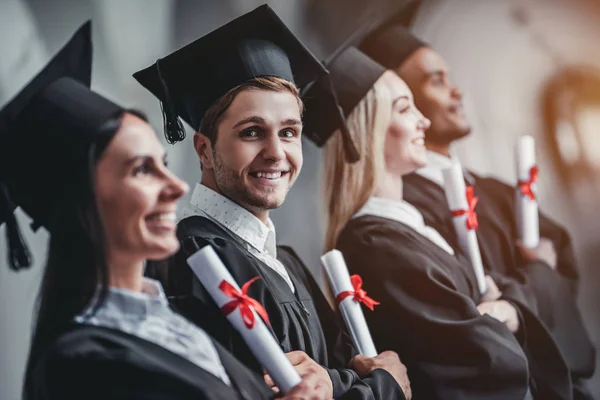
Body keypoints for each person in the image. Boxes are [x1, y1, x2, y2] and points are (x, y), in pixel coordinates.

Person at [2, 21, 327, 400]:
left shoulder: (164, 325)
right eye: (142, 169)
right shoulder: (81, 362)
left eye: (164, 164)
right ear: (84, 197)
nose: (176, 187)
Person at [135, 5, 409, 400]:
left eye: (289, 132)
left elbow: (346, 366)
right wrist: (384, 387)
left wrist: (339, 381)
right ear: (205, 150)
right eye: (251, 132)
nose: (276, 153)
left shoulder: (287, 262)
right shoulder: (192, 261)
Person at [315, 44, 573, 399]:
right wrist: (509, 314)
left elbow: (479, 308)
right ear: (370, 130)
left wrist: (502, 308)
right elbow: (478, 355)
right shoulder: (375, 243)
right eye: (405, 109)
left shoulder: (408, 227)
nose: (423, 120)